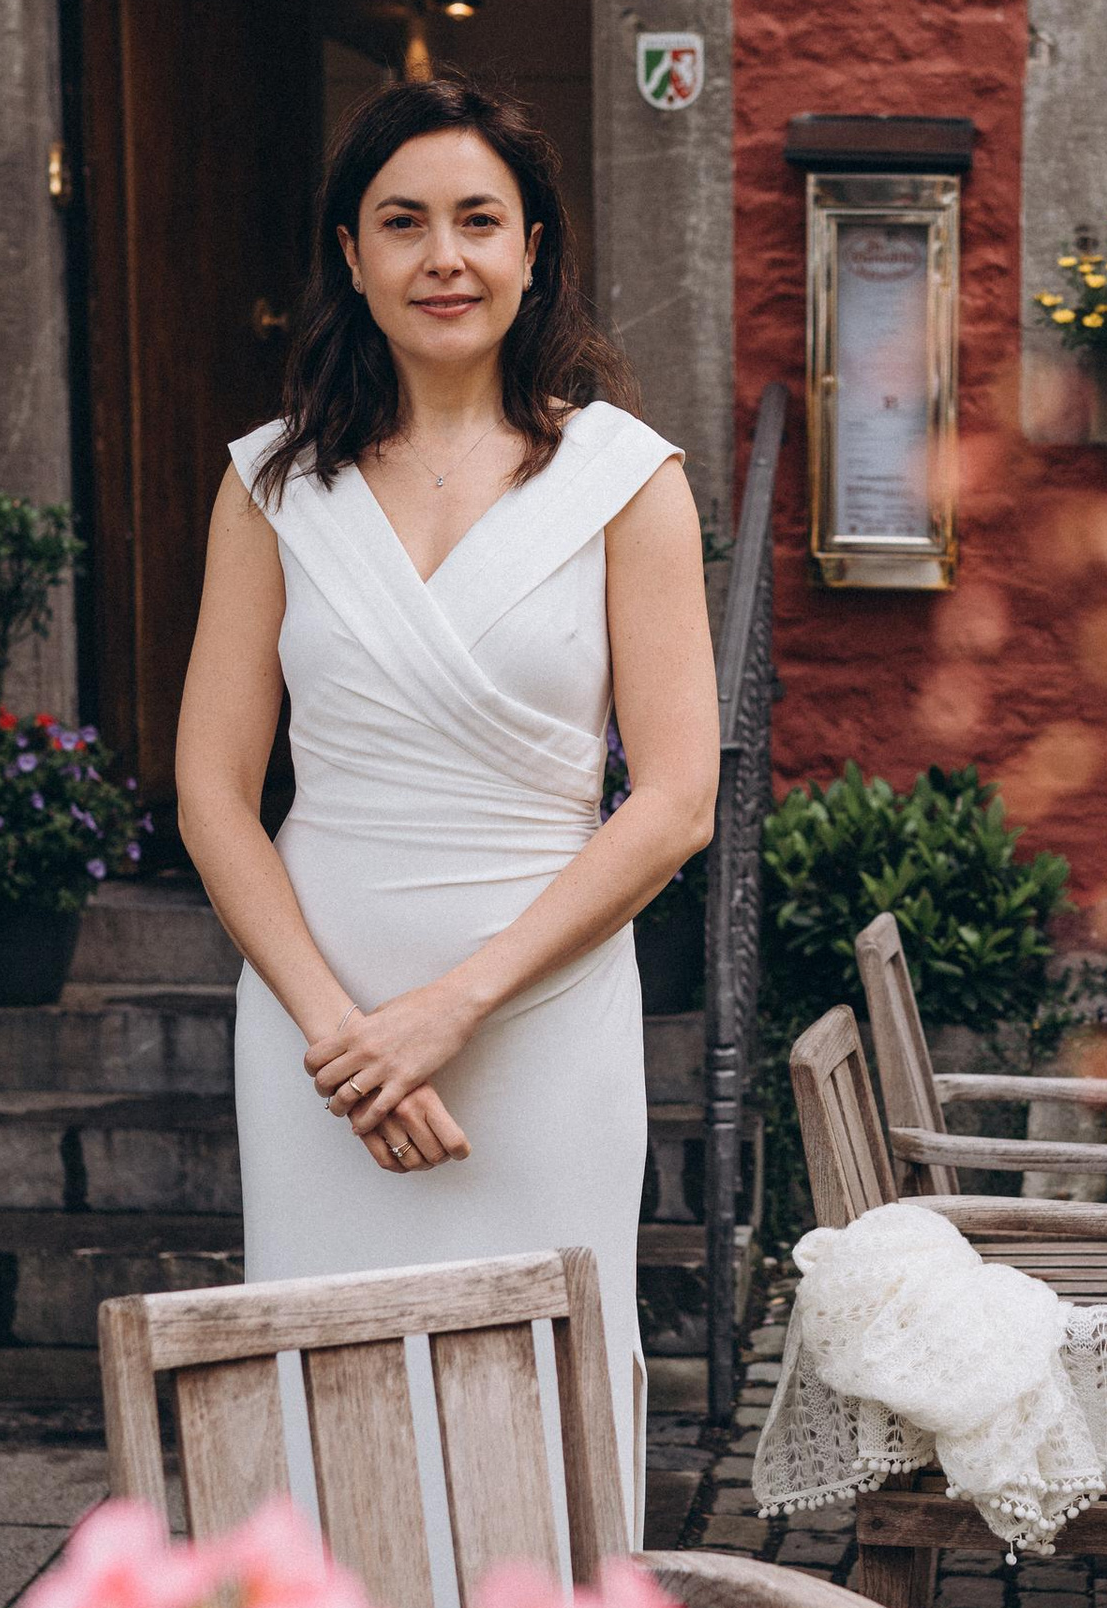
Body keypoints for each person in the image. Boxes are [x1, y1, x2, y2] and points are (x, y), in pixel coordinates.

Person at [176, 77, 721, 1517]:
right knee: (325, 1418)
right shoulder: (270, 488)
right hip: (320, 1037)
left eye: (480, 220)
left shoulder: (625, 481)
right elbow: (213, 790)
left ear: (536, 245)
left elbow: (673, 799)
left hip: (534, 1023)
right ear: (348, 254)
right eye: (403, 222)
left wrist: (454, 1006)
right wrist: (338, 1026)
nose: (444, 257)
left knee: (535, 1418)